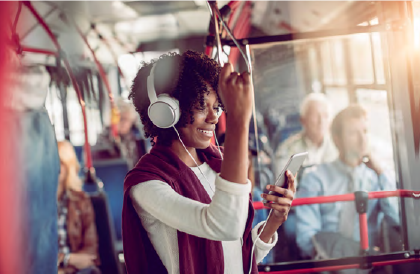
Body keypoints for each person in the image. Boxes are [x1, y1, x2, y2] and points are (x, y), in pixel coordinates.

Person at [122, 50, 296, 274]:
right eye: (201, 106)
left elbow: (238, 256)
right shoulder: (147, 184)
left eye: (217, 107)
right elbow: (223, 225)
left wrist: (274, 220)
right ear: (168, 111)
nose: (214, 118)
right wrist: (238, 120)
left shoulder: (220, 162)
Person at [295, 105, 399, 261]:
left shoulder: (378, 177)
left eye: (365, 131)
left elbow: (396, 219)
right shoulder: (315, 178)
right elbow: (306, 237)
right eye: (353, 133)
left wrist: (381, 173)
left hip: (371, 264)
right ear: (337, 139)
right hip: (330, 263)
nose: (362, 139)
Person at [57, 141, 101, 274]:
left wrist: (65, 269)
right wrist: (66, 259)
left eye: (59, 164)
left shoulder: (81, 201)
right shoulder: (34, 205)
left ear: (67, 167)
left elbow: (90, 252)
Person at [274, 92, 338, 183]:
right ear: (303, 120)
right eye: (315, 115)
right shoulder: (287, 149)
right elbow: (284, 188)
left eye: (325, 115)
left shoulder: (339, 147)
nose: (321, 121)